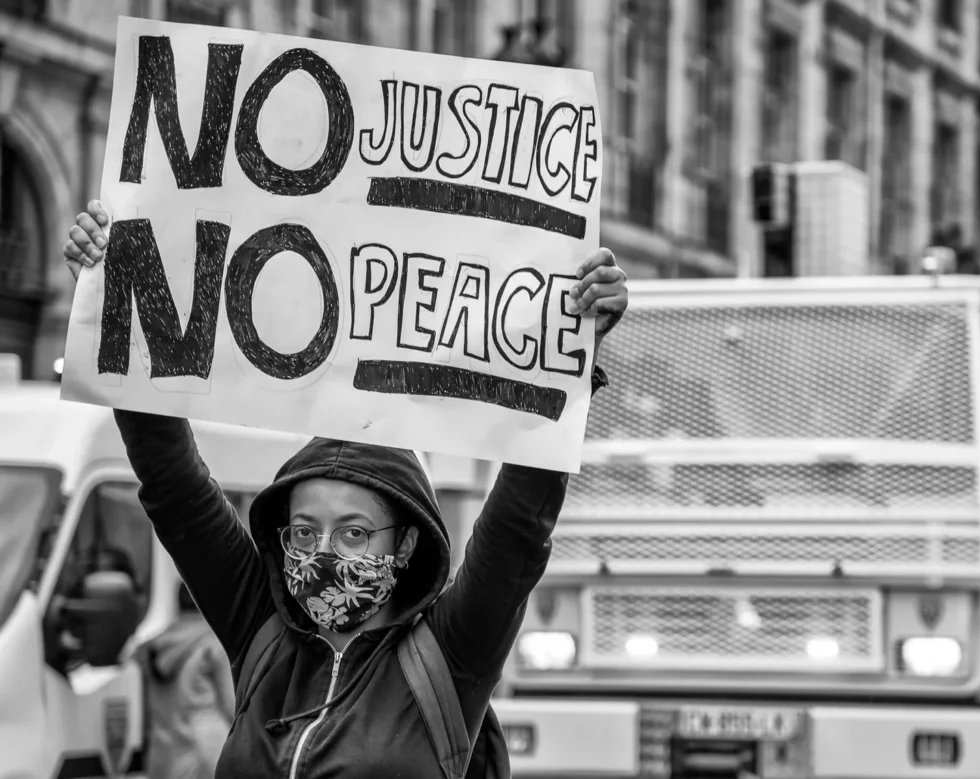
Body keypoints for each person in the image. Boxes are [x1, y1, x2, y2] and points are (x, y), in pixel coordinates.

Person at [63, 200, 630, 777]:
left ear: (405, 546)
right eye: (305, 532)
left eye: (354, 534)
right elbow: (172, 483)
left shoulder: (449, 655)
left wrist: (571, 354)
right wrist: (119, 299)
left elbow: (516, 532)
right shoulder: (258, 632)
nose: (323, 553)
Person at [135, 583, 234, 779]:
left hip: (162, 758)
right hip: (205, 759)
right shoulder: (213, 646)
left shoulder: (155, 647)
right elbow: (234, 709)